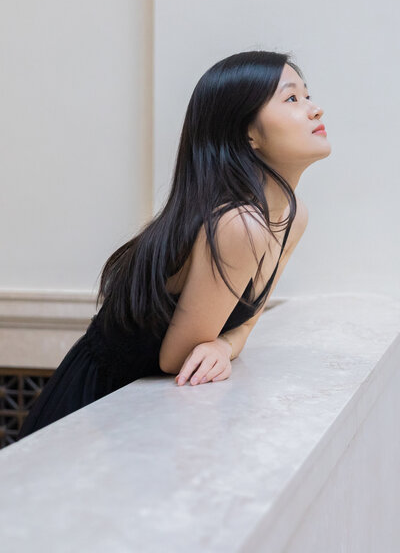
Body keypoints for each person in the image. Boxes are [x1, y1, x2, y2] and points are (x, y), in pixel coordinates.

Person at [17, 50, 331, 440]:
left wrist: (222, 345)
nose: (315, 109)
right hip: (98, 404)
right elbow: (175, 358)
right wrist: (219, 346)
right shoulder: (239, 224)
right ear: (247, 133)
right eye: (292, 98)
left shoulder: (291, 216)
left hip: (145, 412)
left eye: (307, 95)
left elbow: (247, 322)